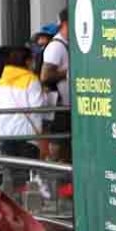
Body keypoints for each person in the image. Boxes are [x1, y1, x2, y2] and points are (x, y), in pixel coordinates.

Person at [0, 44, 47, 159]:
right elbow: (38, 107)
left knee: (12, 171)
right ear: (27, 61)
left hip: (5, 133)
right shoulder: (31, 79)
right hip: (27, 134)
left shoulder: (2, 80)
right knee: (28, 171)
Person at [42, 10, 71, 161]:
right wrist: (67, 73)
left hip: (67, 106)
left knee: (67, 144)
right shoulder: (56, 47)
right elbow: (45, 76)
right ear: (66, 24)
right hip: (59, 106)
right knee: (59, 144)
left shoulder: (67, 44)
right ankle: (56, 177)